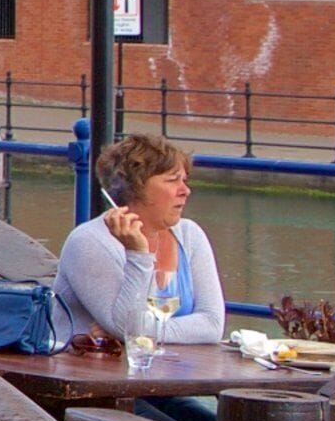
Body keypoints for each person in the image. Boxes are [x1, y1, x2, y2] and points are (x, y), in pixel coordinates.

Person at [58, 132, 226, 383]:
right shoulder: (88, 242)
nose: (185, 191)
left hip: (165, 381)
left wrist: (144, 332)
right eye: (172, 181)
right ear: (135, 188)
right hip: (97, 385)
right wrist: (138, 254)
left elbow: (213, 325)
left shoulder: (190, 235)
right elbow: (125, 325)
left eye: (185, 180)